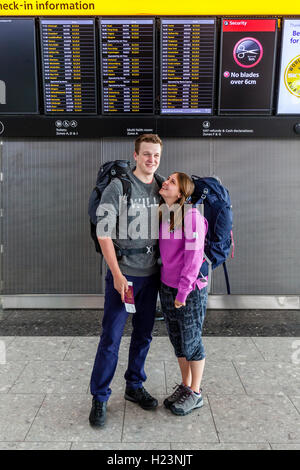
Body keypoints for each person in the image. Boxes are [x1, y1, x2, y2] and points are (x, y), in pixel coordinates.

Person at [89, 134, 164, 427]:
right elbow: (103, 233)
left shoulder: (162, 186)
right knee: (111, 337)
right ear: (135, 155)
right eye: (146, 154)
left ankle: (134, 385)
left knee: (144, 335)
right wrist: (118, 276)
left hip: (153, 275)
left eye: (156, 155)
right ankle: (100, 397)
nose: (151, 160)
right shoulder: (118, 187)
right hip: (125, 277)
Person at [158, 172, 208, 416]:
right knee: (178, 341)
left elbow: (194, 258)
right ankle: (186, 386)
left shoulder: (192, 217)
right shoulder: (166, 215)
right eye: (166, 178)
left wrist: (183, 292)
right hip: (167, 287)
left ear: (181, 193)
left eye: (172, 181)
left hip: (188, 291)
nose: (165, 182)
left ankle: (196, 393)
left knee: (192, 341)